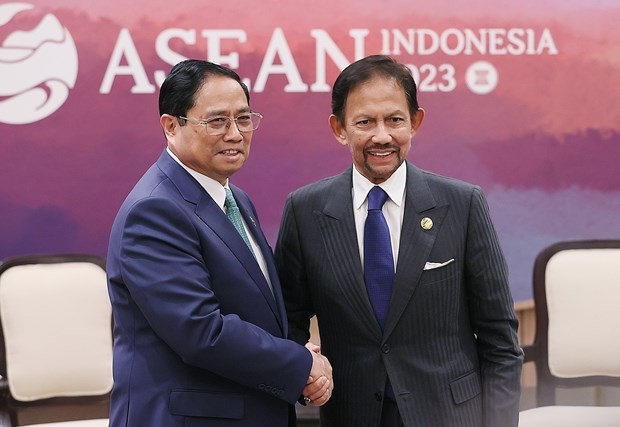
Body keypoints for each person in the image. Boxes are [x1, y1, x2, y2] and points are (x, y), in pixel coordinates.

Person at [275, 55, 523, 427]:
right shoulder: (305, 210)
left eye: (394, 120)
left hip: (450, 415)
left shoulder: (461, 204)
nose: (381, 136)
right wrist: (303, 376)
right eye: (364, 122)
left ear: (415, 122)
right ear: (339, 128)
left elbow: (500, 342)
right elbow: (287, 324)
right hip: (350, 414)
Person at [106, 59, 332, 427]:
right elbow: (200, 331)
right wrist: (301, 365)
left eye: (243, 119)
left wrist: (297, 365)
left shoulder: (236, 199)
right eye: (216, 121)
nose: (235, 134)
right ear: (170, 126)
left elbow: (259, 313)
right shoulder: (154, 210)